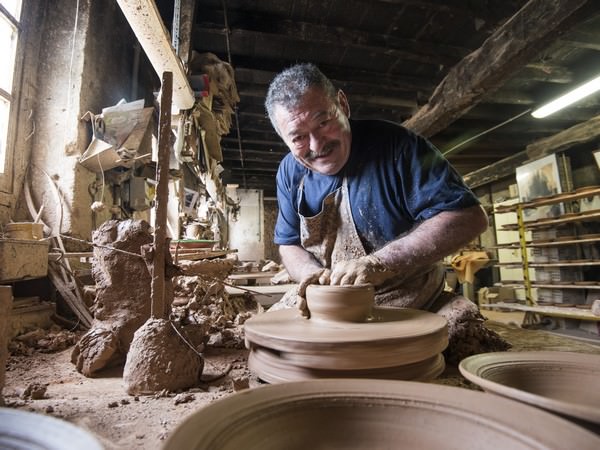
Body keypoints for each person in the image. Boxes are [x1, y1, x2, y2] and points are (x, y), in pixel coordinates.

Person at [265, 63, 509, 363]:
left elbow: (469, 217)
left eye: (323, 121)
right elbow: (288, 243)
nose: (316, 145)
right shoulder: (290, 173)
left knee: (463, 339)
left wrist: (379, 262)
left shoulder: (399, 147)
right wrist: (308, 275)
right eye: (298, 137)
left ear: (342, 104)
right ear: (283, 138)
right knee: (269, 348)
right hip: (326, 303)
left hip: (411, 298)